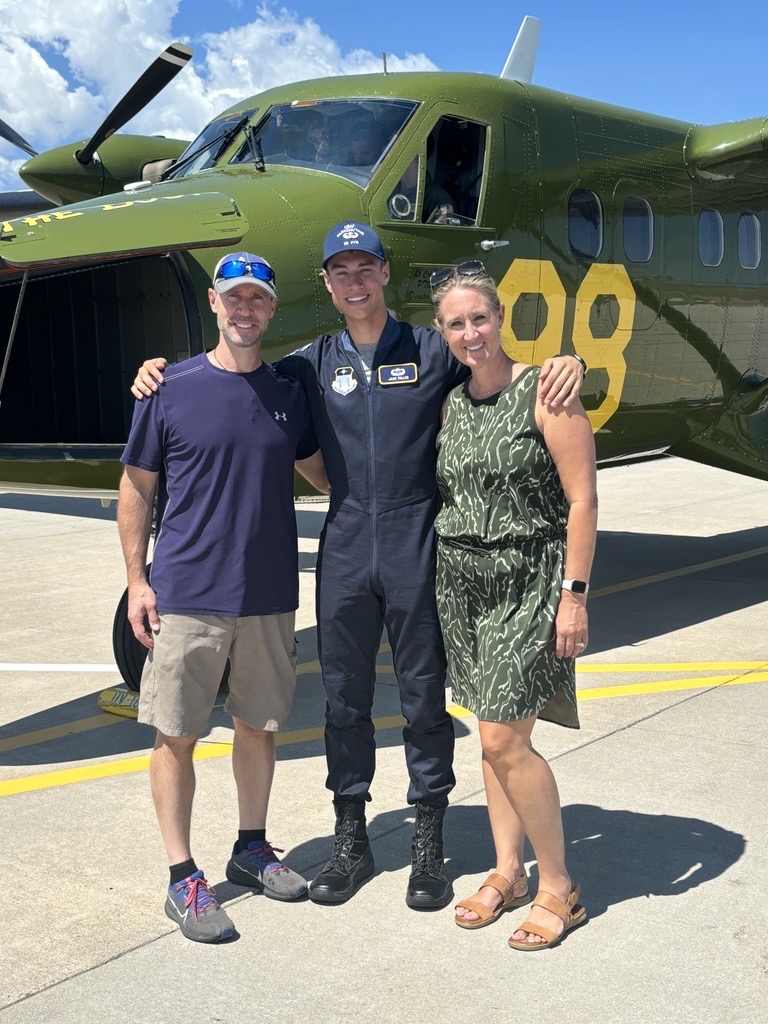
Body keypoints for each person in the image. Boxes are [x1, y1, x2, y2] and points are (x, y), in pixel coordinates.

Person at [132, 223, 585, 912]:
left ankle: (427, 841)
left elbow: (494, 359)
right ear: (326, 285)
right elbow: (235, 369)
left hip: (415, 538)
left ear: (383, 272)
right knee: (344, 701)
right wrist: (155, 371)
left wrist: (565, 360)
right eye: (339, 270)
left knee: (422, 698)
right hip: (345, 540)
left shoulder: (432, 349)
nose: (354, 280)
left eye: (364, 267)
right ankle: (353, 837)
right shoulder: (305, 365)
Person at [118, 252, 328, 943]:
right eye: (234, 298)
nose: (245, 310)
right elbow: (137, 490)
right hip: (187, 595)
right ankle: (183, 879)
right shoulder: (168, 388)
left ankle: (251, 848)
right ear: (214, 303)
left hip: (268, 596)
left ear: (271, 310)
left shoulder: (287, 392)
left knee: (258, 727)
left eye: (258, 300)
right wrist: (137, 581)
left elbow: (325, 474)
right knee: (175, 736)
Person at [429, 261, 597, 950]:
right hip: (461, 584)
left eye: (479, 318)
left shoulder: (547, 391)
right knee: (493, 734)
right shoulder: (451, 400)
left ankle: (559, 886)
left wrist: (573, 597)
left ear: (501, 318)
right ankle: (508, 870)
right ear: (441, 333)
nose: (470, 333)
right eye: (455, 323)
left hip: (528, 580)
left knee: (504, 740)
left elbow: (583, 500)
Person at [388, 157, 455, 223]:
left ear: (420, 165)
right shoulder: (390, 190)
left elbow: (441, 231)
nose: (403, 168)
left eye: (408, 163)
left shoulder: (440, 200)